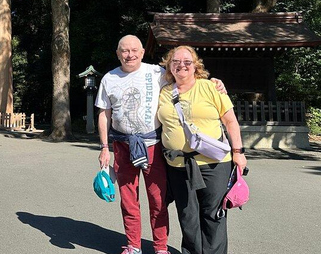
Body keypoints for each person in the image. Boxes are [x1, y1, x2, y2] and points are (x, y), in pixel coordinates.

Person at [96, 35, 226, 254]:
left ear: (142, 52)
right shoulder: (109, 78)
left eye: (134, 50)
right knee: (128, 199)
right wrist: (104, 147)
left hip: (153, 144)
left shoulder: (157, 73)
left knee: (157, 199)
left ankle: (160, 247)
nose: (130, 55)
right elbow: (104, 113)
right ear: (117, 54)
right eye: (125, 51)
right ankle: (133, 245)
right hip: (122, 144)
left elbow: (185, 78)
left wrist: (213, 82)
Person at [157, 46, 247, 254]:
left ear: (195, 66)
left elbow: (231, 121)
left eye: (187, 62)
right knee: (187, 215)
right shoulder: (164, 92)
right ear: (169, 67)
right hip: (178, 165)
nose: (182, 66)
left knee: (213, 214)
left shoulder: (210, 87)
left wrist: (238, 152)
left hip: (214, 164)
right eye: (176, 62)